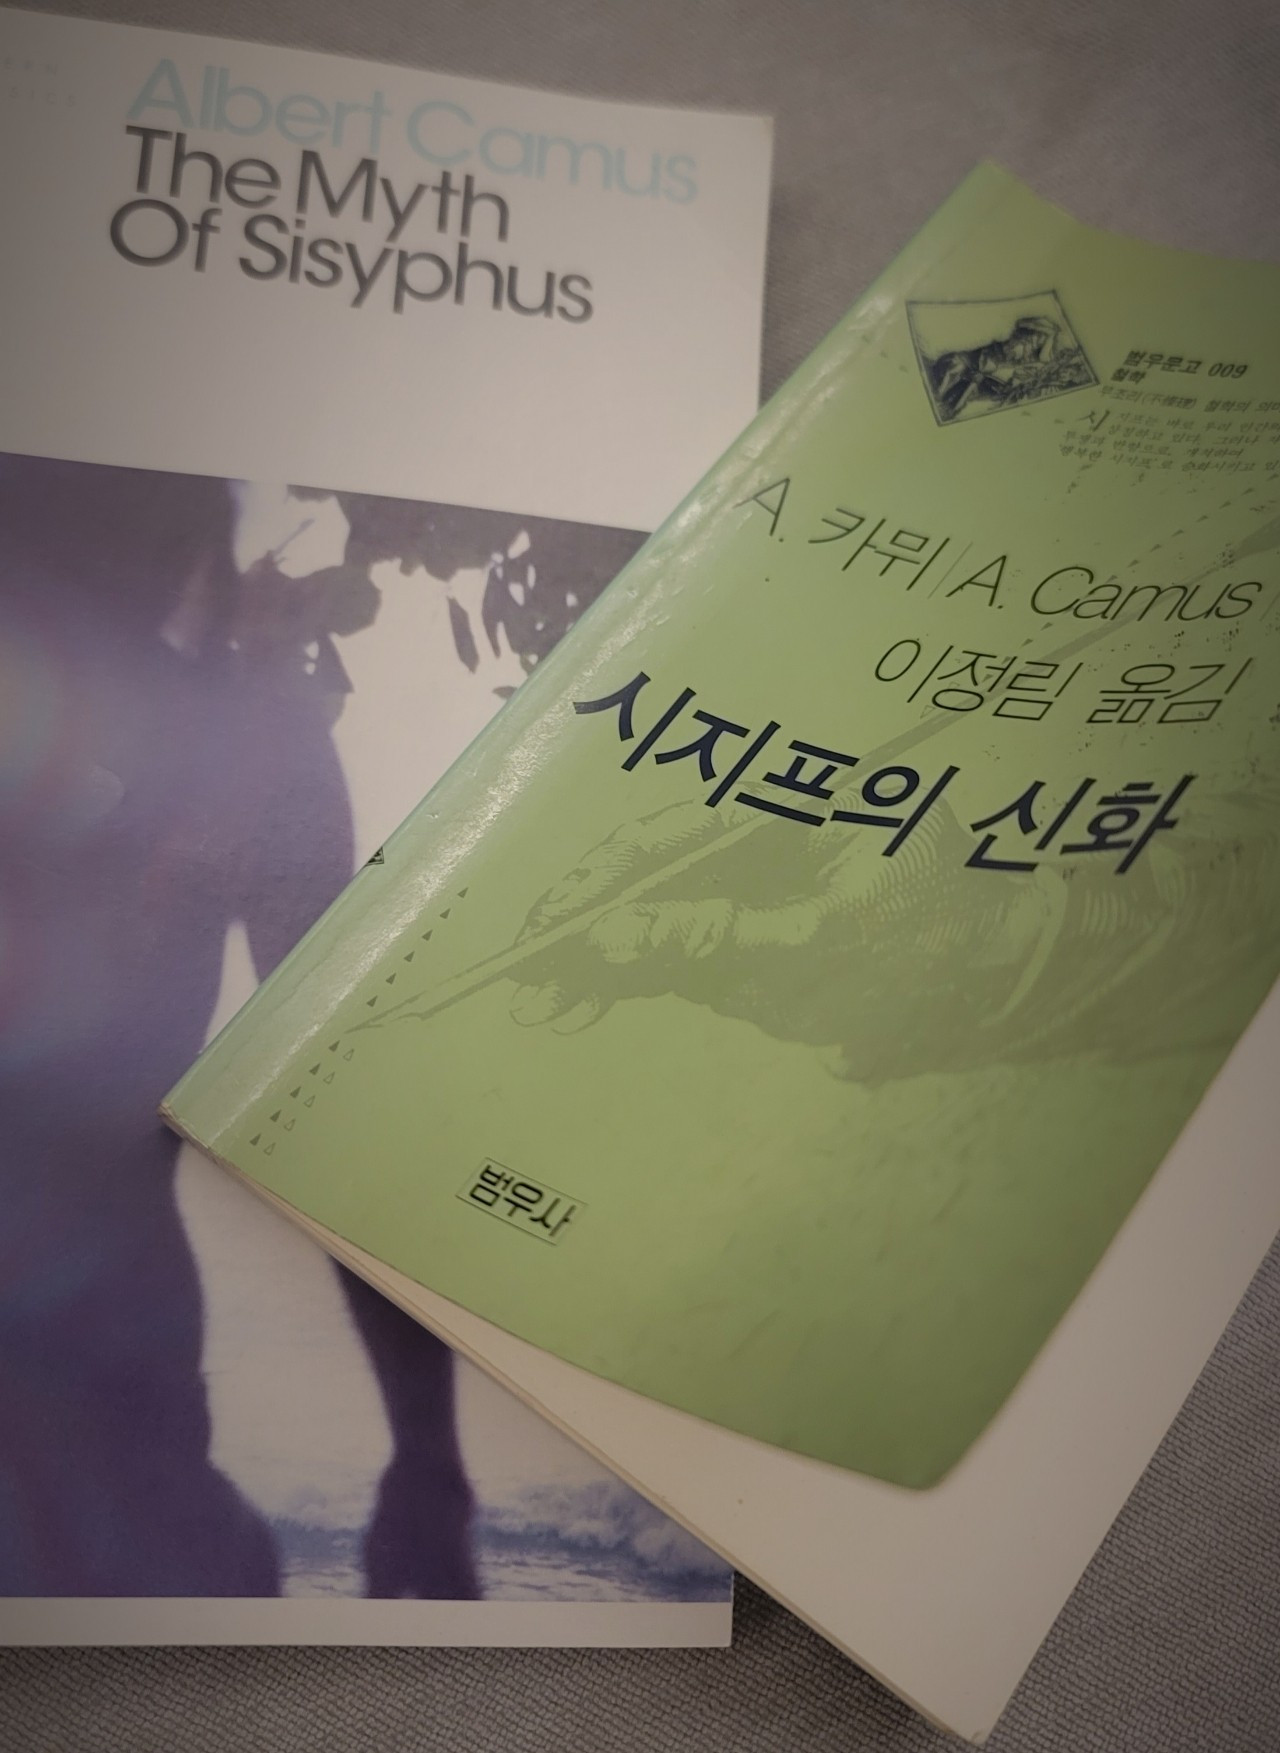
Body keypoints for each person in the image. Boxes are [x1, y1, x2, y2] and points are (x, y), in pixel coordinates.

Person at [0, 455, 478, 1598]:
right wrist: (428, 1458)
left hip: (113, 1369)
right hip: (114, 1356)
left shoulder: (243, 753)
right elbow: (335, 1106)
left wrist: (429, 1458)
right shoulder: (248, 752)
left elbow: (331, 1099)